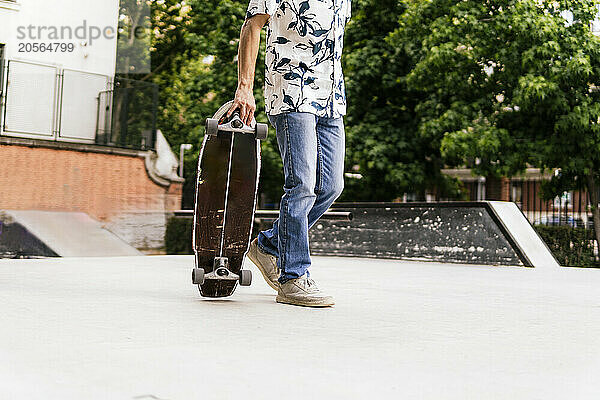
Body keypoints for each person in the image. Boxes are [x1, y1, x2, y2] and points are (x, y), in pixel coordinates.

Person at [229, 0, 352, 307]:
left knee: (331, 186)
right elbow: (252, 25)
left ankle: (269, 246)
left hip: (331, 97)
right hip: (291, 91)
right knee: (302, 185)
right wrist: (245, 87)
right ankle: (292, 277)